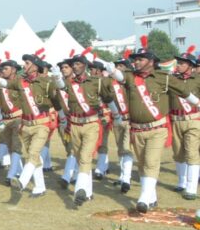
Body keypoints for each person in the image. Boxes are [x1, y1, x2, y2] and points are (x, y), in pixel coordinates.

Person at [106, 35, 200, 213]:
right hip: (137, 130)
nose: (136, 62)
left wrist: (198, 104)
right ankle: (152, 197)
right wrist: (111, 70)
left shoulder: (164, 78)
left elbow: (184, 92)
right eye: (135, 59)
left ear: (150, 61)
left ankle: (143, 199)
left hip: (158, 128)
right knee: (142, 164)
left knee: (151, 162)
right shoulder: (131, 77)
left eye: (140, 59)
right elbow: (120, 77)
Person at [0, 48, 58, 197]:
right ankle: (40, 187)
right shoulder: (20, 82)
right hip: (26, 125)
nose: (24, 65)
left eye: (27, 62)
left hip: (42, 124)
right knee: (32, 157)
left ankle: (22, 181)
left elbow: (58, 93)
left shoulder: (46, 81)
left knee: (33, 153)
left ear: (35, 66)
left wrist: (59, 79)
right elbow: (6, 84)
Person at [54, 48, 109, 206]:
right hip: (75, 125)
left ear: (85, 66)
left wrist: (115, 115)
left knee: (85, 156)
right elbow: (61, 87)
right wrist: (57, 75)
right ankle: (89, 192)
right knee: (79, 158)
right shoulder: (69, 84)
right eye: (73, 64)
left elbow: (108, 97)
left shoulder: (95, 81)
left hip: (91, 123)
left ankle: (80, 190)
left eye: (78, 64)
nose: (75, 66)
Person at [169, 45, 200, 200]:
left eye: (182, 63)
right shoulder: (172, 80)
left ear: (191, 66)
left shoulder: (198, 79)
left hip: (193, 120)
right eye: (178, 62)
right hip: (176, 120)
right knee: (178, 152)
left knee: (192, 152)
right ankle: (181, 182)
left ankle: (191, 187)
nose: (178, 65)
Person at [0, 52, 24, 185]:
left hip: (18, 117)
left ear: (14, 70)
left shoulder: (20, 82)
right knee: (10, 147)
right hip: (4, 118)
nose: (2, 71)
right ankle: (18, 171)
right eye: (1, 69)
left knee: (16, 145)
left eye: (6, 68)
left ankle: (11, 175)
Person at [110, 51, 134, 193]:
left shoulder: (131, 83)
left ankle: (127, 178)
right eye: (117, 66)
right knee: (120, 149)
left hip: (129, 119)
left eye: (121, 66)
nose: (119, 68)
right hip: (116, 119)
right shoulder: (111, 83)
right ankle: (122, 175)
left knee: (127, 148)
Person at [54, 52, 77, 188]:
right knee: (69, 149)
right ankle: (75, 172)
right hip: (62, 119)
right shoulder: (57, 83)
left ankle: (67, 176)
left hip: (75, 119)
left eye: (66, 67)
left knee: (75, 148)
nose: (64, 70)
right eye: (62, 68)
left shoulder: (77, 82)